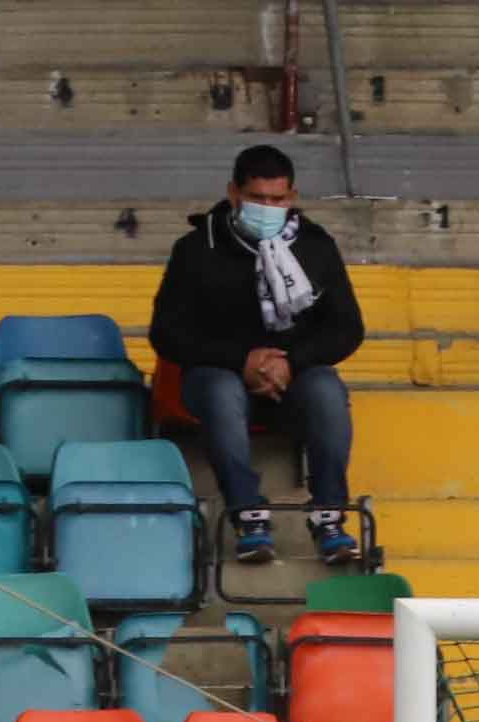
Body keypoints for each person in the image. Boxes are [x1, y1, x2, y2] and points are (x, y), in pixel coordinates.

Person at [148, 144, 365, 568]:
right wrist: (241, 360)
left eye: (278, 199)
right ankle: (248, 516)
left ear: (293, 197)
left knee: (327, 391)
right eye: (258, 198)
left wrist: (291, 362)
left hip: (292, 378)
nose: (269, 207)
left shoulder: (317, 247)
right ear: (234, 193)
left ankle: (329, 517)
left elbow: (347, 328)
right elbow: (167, 333)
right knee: (223, 392)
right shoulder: (196, 249)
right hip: (216, 375)